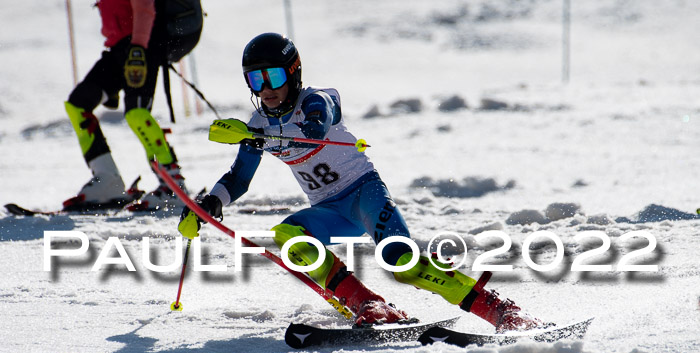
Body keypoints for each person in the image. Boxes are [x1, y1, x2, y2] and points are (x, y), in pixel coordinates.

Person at [178, 32, 544, 330]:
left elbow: (325, 110)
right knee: (289, 236)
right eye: (255, 79)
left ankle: (500, 312)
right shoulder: (257, 128)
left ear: (293, 74)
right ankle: (369, 304)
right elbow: (239, 178)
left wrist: (310, 125)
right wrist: (210, 205)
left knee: (401, 263)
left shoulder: (314, 101)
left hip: (364, 194)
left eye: (273, 76)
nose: (265, 88)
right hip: (329, 211)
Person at [64, 0, 188, 212]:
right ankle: (107, 180)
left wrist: (138, 47)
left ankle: (172, 184)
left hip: (143, 46)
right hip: (118, 49)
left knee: (137, 114)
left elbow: (144, 6)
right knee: (78, 105)